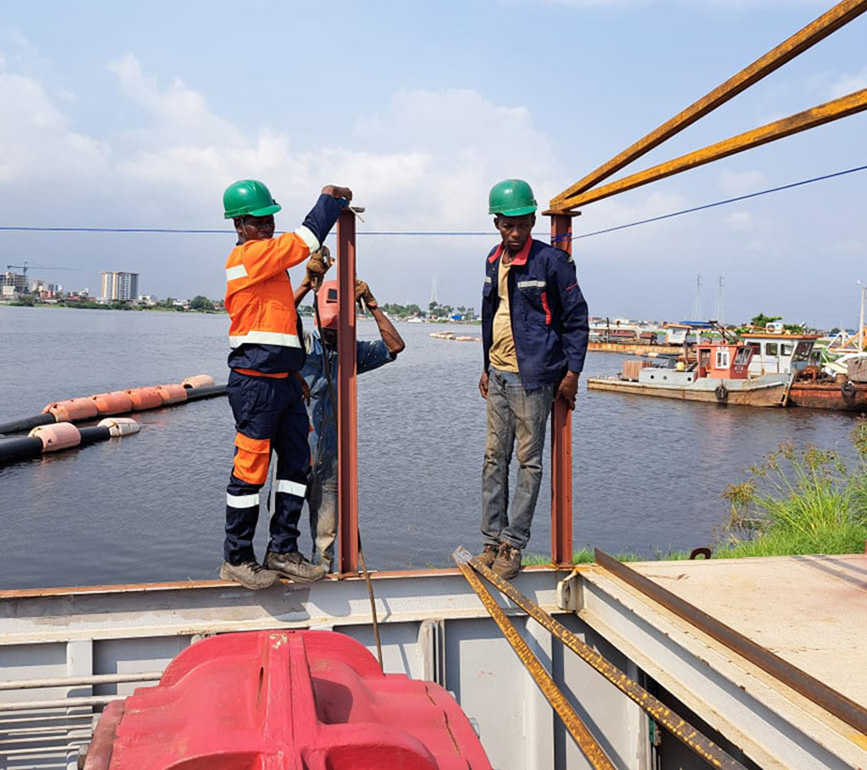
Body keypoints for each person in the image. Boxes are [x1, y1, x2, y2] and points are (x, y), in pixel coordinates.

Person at [221, 179, 352, 590]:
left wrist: (293, 369)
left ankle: (282, 549)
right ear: (240, 224)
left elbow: (277, 321)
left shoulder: (269, 269)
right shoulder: (247, 258)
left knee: (297, 464)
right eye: (259, 221)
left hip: (282, 383)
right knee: (251, 471)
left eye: (270, 219)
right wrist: (329, 200)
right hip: (255, 386)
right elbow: (306, 238)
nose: (267, 226)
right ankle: (237, 558)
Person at [477, 179, 589, 579]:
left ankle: (513, 544)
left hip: (534, 379)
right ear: (497, 223)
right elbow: (491, 316)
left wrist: (572, 372)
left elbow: (576, 319)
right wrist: (486, 367)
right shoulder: (493, 260)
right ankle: (491, 539)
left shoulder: (551, 262)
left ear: (531, 222)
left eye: (523, 224)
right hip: (500, 374)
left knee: (529, 462)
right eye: (509, 225)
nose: (516, 232)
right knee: (493, 458)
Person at [294, 264, 405, 571]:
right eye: (329, 332)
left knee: (326, 530)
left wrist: (372, 304)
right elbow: (277, 322)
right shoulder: (301, 345)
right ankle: (286, 565)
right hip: (296, 449)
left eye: (338, 332)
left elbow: (395, 346)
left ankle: (324, 571)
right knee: (284, 520)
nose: (333, 337)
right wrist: (305, 285)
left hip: (330, 456)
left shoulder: (353, 352)